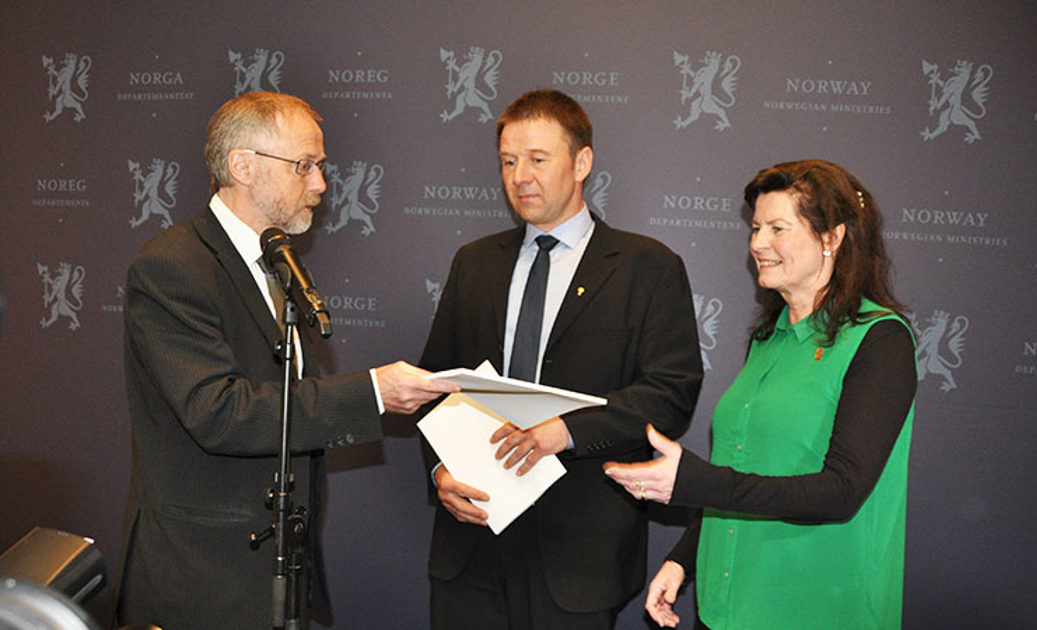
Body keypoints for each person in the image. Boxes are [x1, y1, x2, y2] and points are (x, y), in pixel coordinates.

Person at [115, 91, 458, 629]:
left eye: (320, 166)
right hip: (201, 580)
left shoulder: (278, 262)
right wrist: (373, 393)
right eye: (304, 165)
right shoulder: (172, 266)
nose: (320, 184)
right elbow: (219, 412)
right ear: (242, 166)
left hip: (276, 573)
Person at [419, 89, 704, 629]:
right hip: (471, 543)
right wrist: (439, 470)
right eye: (508, 161)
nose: (520, 177)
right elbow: (433, 385)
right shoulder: (474, 263)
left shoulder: (647, 267)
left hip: (578, 553)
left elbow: (669, 393)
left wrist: (565, 431)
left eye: (537, 159)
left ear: (582, 163)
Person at [605, 159, 917, 629]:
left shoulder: (879, 339)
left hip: (812, 609)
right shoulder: (769, 337)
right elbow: (748, 467)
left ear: (832, 237)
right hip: (727, 603)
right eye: (755, 228)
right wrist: (684, 558)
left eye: (777, 228)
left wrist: (695, 481)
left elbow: (841, 491)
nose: (757, 243)